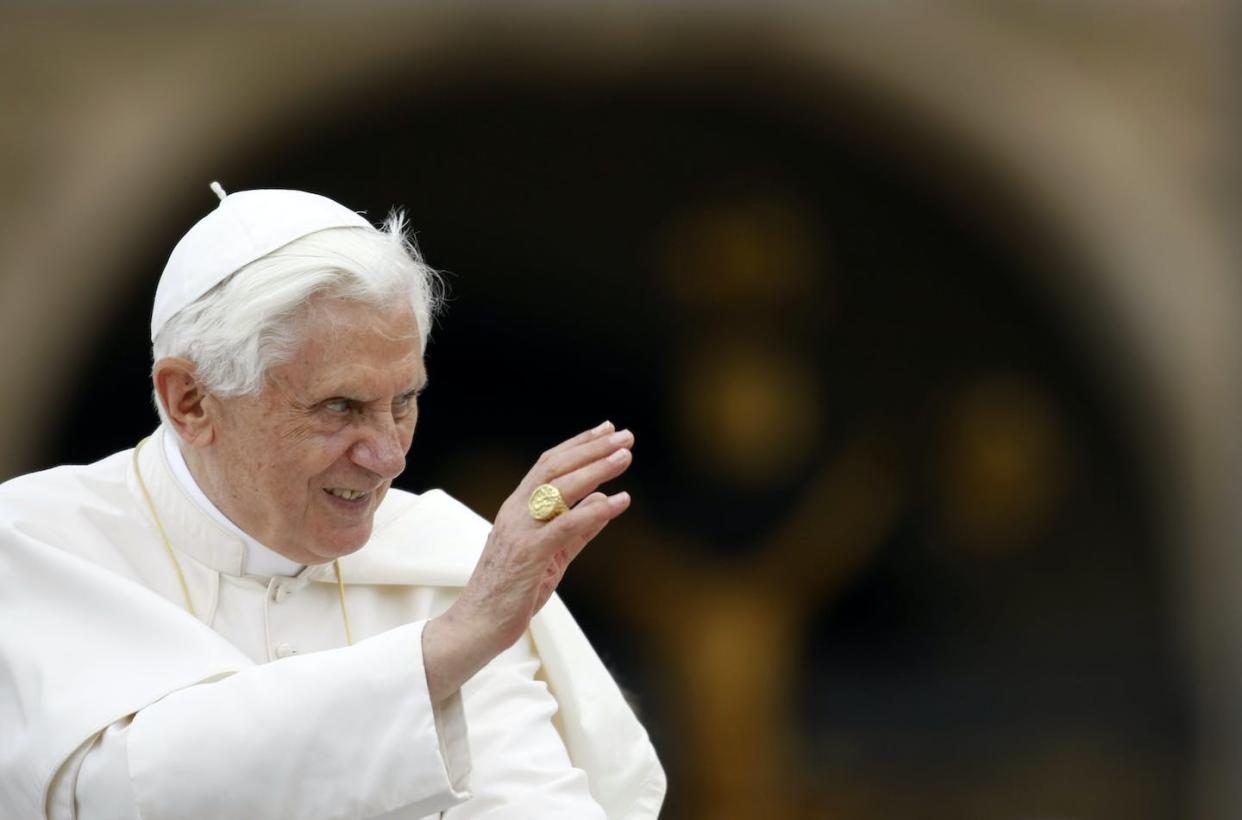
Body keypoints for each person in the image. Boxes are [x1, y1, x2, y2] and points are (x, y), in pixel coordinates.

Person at [0, 185, 666, 819]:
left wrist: (463, 631)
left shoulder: (442, 560)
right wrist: (443, 651)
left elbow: (526, 799)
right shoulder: (39, 545)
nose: (388, 457)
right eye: (340, 408)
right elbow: (108, 796)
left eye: (403, 402)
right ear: (191, 401)